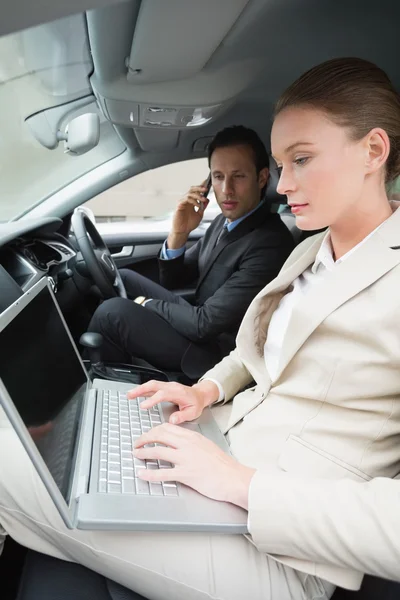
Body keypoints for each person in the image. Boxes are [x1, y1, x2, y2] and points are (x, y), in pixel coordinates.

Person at [1, 56, 400, 600]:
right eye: (283, 164)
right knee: (48, 449)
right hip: (220, 456)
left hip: (286, 552)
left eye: (302, 159)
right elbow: (255, 352)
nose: (283, 186)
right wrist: (204, 390)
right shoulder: (312, 249)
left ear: (373, 151)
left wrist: (242, 485)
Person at [87, 125, 294, 379]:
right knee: (125, 278)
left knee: (112, 314)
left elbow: (204, 324)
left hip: (215, 354)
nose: (226, 189)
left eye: (238, 176)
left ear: (262, 178)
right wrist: (179, 233)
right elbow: (176, 280)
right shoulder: (223, 222)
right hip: (199, 323)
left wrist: (145, 304)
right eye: (218, 177)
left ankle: (101, 383)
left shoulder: (270, 242)